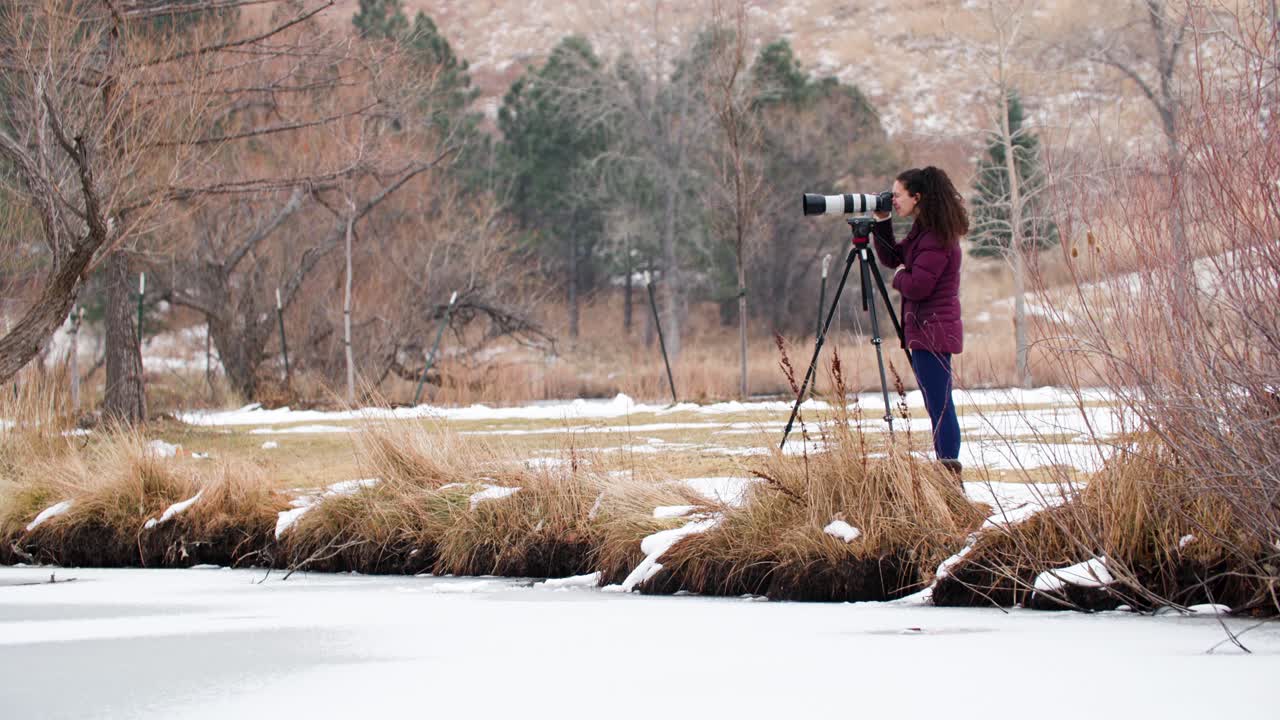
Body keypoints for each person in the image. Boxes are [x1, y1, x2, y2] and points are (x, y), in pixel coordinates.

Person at [871, 166, 968, 479]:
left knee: (939, 405)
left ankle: (950, 472)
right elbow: (892, 256)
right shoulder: (925, 232)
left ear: (917, 196)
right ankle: (947, 468)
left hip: (933, 331)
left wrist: (899, 277)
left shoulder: (937, 237)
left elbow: (918, 285)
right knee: (936, 403)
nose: (893, 199)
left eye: (898, 194)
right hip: (929, 329)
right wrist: (882, 222)